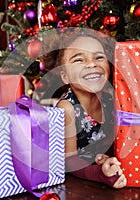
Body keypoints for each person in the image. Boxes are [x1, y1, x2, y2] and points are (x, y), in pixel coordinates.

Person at [40, 28, 127, 189]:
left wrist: (105, 159)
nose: (91, 64)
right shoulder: (67, 108)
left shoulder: (110, 102)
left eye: (99, 57)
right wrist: (99, 173)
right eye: (79, 60)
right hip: (78, 184)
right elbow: (69, 160)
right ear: (64, 76)